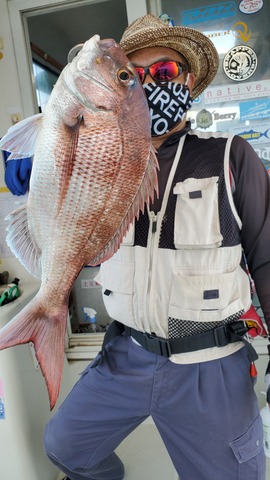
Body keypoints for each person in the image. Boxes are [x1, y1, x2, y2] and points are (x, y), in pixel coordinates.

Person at [44, 14, 270, 480]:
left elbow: (266, 256)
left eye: (163, 72)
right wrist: (36, 167)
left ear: (188, 80)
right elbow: (54, 200)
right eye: (136, 75)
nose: (150, 85)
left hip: (210, 365)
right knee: (66, 447)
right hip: (126, 355)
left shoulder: (230, 156)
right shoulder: (100, 157)